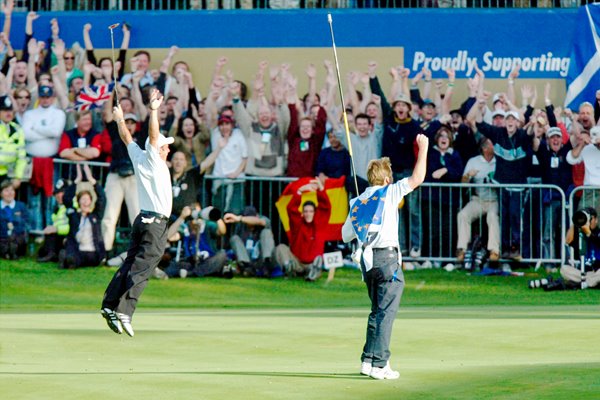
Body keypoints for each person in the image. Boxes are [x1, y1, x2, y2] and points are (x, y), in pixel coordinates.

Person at [342, 134, 428, 380]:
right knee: (385, 313)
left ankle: (368, 361)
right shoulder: (390, 192)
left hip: (367, 263)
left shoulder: (358, 201)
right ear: (387, 179)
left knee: (376, 311)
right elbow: (417, 178)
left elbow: (345, 234)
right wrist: (423, 148)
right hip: (386, 260)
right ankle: (379, 364)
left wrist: (361, 213)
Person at [101, 88, 174, 337]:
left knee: (130, 262)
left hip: (142, 219)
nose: (167, 151)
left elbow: (126, 138)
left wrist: (121, 119)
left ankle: (110, 305)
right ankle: (124, 310)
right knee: (142, 267)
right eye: (166, 147)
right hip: (155, 223)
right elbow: (153, 137)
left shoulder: (139, 156)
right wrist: (153, 111)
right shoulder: (153, 158)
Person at [274, 179, 331, 281]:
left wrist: (321, 189)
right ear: (302, 213)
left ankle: (312, 274)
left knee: (317, 261)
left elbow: (325, 207)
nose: (308, 213)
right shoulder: (298, 225)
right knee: (281, 248)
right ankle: (289, 269)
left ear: (315, 213)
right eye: (306, 211)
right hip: (297, 262)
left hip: (312, 263)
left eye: (311, 211)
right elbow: (291, 209)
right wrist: (299, 191)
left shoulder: (319, 225)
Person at [456, 138, 500, 263]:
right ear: (484, 148)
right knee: (463, 215)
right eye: (492, 144)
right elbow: (463, 184)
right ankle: (462, 249)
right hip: (478, 199)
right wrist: (468, 175)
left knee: (492, 216)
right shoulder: (473, 161)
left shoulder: (499, 161)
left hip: (495, 200)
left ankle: (494, 250)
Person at [59, 165, 106, 269]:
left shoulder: (96, 216)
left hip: (93, 252)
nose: (85, 202)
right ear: (79, 202)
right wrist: (76, 182)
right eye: (83, 199)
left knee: (92, 260)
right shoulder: (74, 215)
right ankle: (68, 259)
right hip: (78, 251)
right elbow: (66, 199)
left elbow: (102, 198)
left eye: (87, 199)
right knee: (72, 260)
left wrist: (92, 181)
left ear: (90, 201)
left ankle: (68, 258)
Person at [224, 205, 276, 277]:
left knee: (266, 232)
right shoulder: (240, 226)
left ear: (256, 216)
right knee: (234, 238)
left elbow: (261, 222)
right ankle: (246, 267)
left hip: (260, 259)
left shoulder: (263, 220)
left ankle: (267, 265)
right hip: (247, 259)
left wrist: (239, 218)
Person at [37, 179, 69, 263]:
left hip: (69, 236)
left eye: (61, 193)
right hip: (60, 235)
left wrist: (56, 229)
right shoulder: (58, 208)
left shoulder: (73, 207)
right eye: (56, 194)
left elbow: (74, 227)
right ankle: (52, 254)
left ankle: (52, 254)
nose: (58, 196)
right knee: (41, 251)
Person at [0, 95, 26, 188]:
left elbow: (21, 156)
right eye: (5, 110)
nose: (8, 113)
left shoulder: (17, 129)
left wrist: (18, 177)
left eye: (10, 110)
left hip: (5, 175)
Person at [0, 180, 29, 260]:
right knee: (3, 242)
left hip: (17, 237)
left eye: (12, 190)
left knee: (17, 239)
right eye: (6, 191)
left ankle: (11, 251)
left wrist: (14, 227)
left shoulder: (21, 206)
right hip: (2, 237)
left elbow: (26, 224)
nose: (10, 193)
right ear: (1, 193)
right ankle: (7, 251)